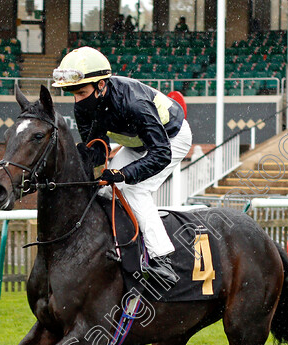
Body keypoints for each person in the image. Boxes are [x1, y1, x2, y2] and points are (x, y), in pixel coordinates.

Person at [51, 46, 193, 284]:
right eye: (72, 93)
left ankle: (162, 260)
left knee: (136, 189)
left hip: (171, 139)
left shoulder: (134, 103)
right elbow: (96, 148)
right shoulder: (84, 105)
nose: (77, 100)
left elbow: (160, 153)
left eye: (82, 92)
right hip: (136, 143)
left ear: (101, 85)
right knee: (105, 190)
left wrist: (124, 173)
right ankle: (122, 249)